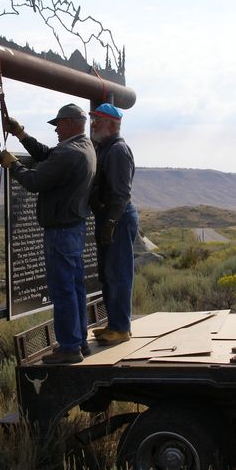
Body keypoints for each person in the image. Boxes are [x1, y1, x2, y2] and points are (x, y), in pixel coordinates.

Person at [0, 104, 96, 364]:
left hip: (60, 233)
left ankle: (68, 348)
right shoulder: (83, 148)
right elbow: (47, 155)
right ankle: (79, 341)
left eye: (58, 124)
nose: (56, 129)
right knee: (75, 287)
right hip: (74, 229)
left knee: (63, 290)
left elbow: (35, 182)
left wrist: (13, 165)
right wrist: (21, 135)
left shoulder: (68, 153)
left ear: (71, 123)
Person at [89, 103, 138, 346]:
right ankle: (114, 324)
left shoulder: (118, 151)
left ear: (110, 124)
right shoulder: (105, 148)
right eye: (93, 118)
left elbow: (121, 194)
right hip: (110, 218)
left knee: (118, 273)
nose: (93, 123)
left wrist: (109, 223)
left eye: (97, 119)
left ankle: (121, 328)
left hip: (117, 218)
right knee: (108, 273)